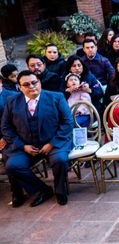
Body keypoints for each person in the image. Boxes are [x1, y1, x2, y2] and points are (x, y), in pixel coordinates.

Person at [1, 71, 73, 207]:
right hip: (26, 146)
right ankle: (43, 190)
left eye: (34, 82)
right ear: (20, 87)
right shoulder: (12, 101)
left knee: (60, 160)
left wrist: (52, 143)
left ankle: (60, 191)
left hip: (53, 142)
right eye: (26, 84)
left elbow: (67, 122)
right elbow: (5, 127)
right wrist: (23, 146)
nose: (32, 86)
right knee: (13, 166)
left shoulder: (56, 97)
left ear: (39, 82)